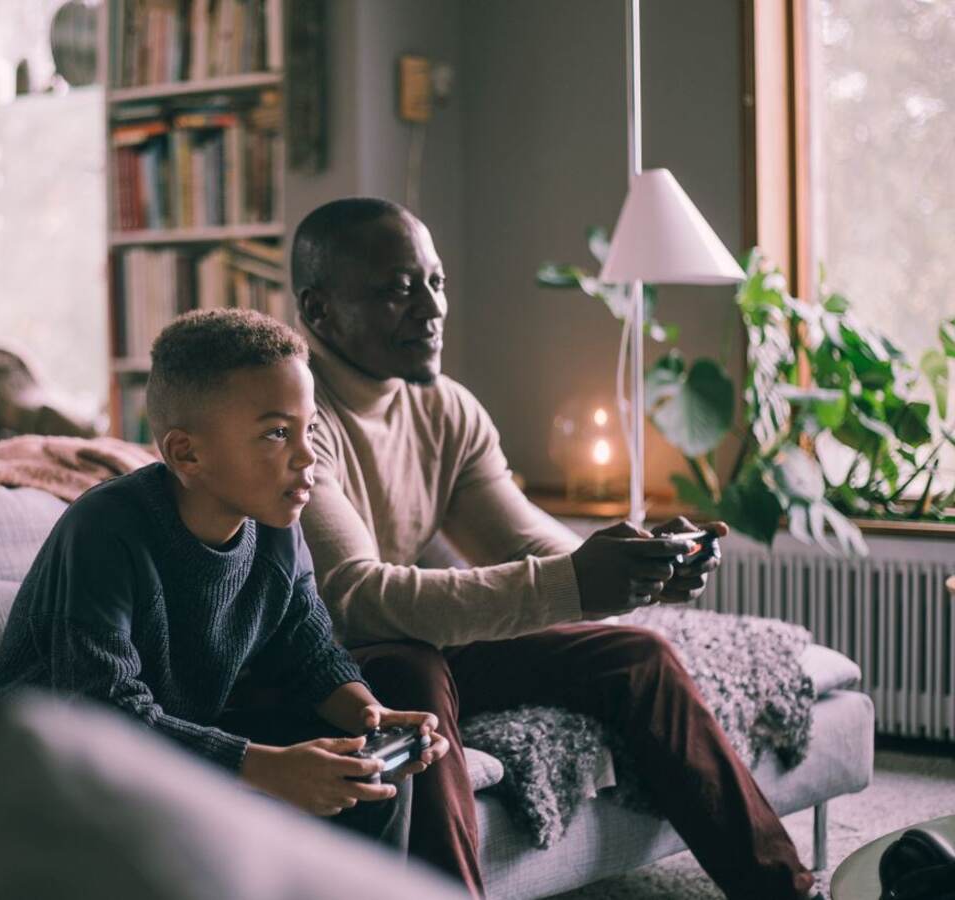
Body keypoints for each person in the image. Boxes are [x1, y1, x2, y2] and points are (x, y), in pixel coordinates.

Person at [292, 197, 816, 899]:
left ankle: (788, 891)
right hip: (327, 662)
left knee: (638, 655)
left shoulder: (443, 406)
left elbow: (520, 537)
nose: (431, 308)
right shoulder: (292, 416)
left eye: (436, 281)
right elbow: (357, 601)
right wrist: (574, 583)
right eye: (396, 290)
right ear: (319, 312)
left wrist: (633, 564)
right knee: (408, 672)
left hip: (415, 642)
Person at [0, 308, 450, 849]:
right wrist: (266, 768)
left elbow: (310, 654)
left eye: (309, 428)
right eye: (277, 433)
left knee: (365, 773)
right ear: (186, 453)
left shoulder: (277, 525)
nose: (308, 455)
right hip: (38, 754)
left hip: (162, 731)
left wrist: (369, 713)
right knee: (209, 812)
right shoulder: (105, 529)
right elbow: (101, 712)